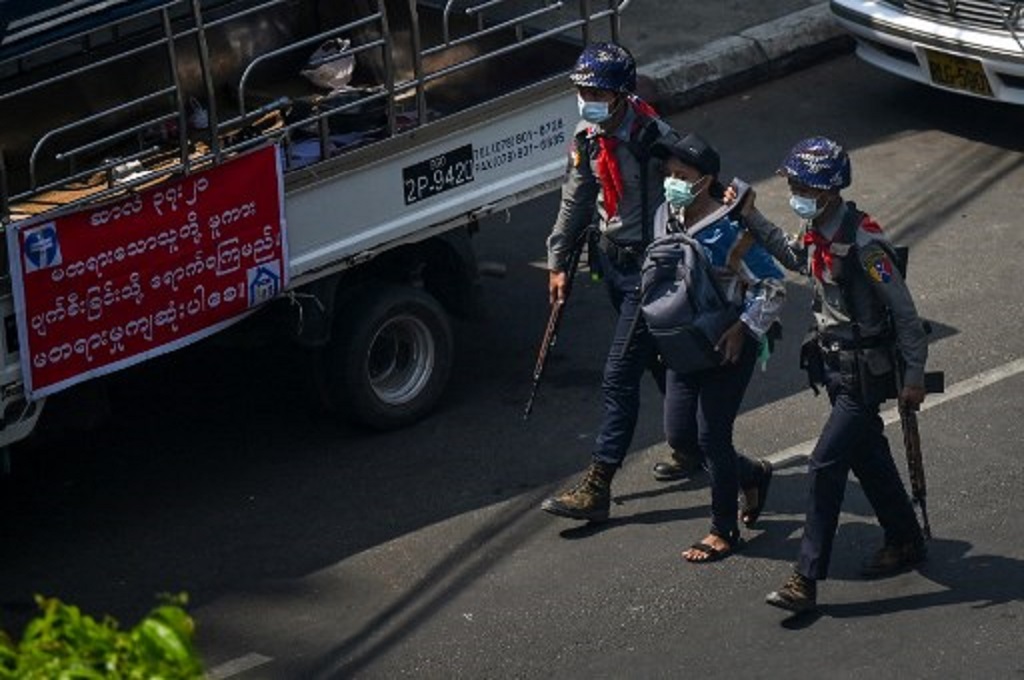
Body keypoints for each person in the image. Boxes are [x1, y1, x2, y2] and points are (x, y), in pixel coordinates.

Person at [765, 137, 929, 612]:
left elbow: (906, 314)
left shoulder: (863, 242)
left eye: (800, 184)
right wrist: (748, 217)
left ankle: (805, 576)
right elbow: (797, 259)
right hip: (835, 368)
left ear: (827, 190)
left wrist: (914, 375)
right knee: (868, 458)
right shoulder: (816, 226)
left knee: (824, 464)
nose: (793, 190)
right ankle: (905, 539)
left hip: (863, 375)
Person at [540, 41, 682, 523]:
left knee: (619, 374)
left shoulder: (655, 138)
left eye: (597, 91)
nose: (588, 99)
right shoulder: (587, 136)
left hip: (650, 268)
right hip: (612, 263)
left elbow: (691, 200)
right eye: (583, 90)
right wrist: (559, 263)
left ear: (621, 94)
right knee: (659, 361)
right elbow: (575, 200)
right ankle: (695, 445)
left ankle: (598, 482)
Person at [649, 132, 793, 562]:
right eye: (668, 174)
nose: (672, 182)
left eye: (682, 175)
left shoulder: (728, 231)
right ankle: (752, 475)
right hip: (683, 343)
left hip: (728, 344)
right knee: (682, 435)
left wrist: (744, 329)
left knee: (713, 436)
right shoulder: (665, 216)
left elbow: (773, 286)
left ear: (705, 180)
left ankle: (723, 529)